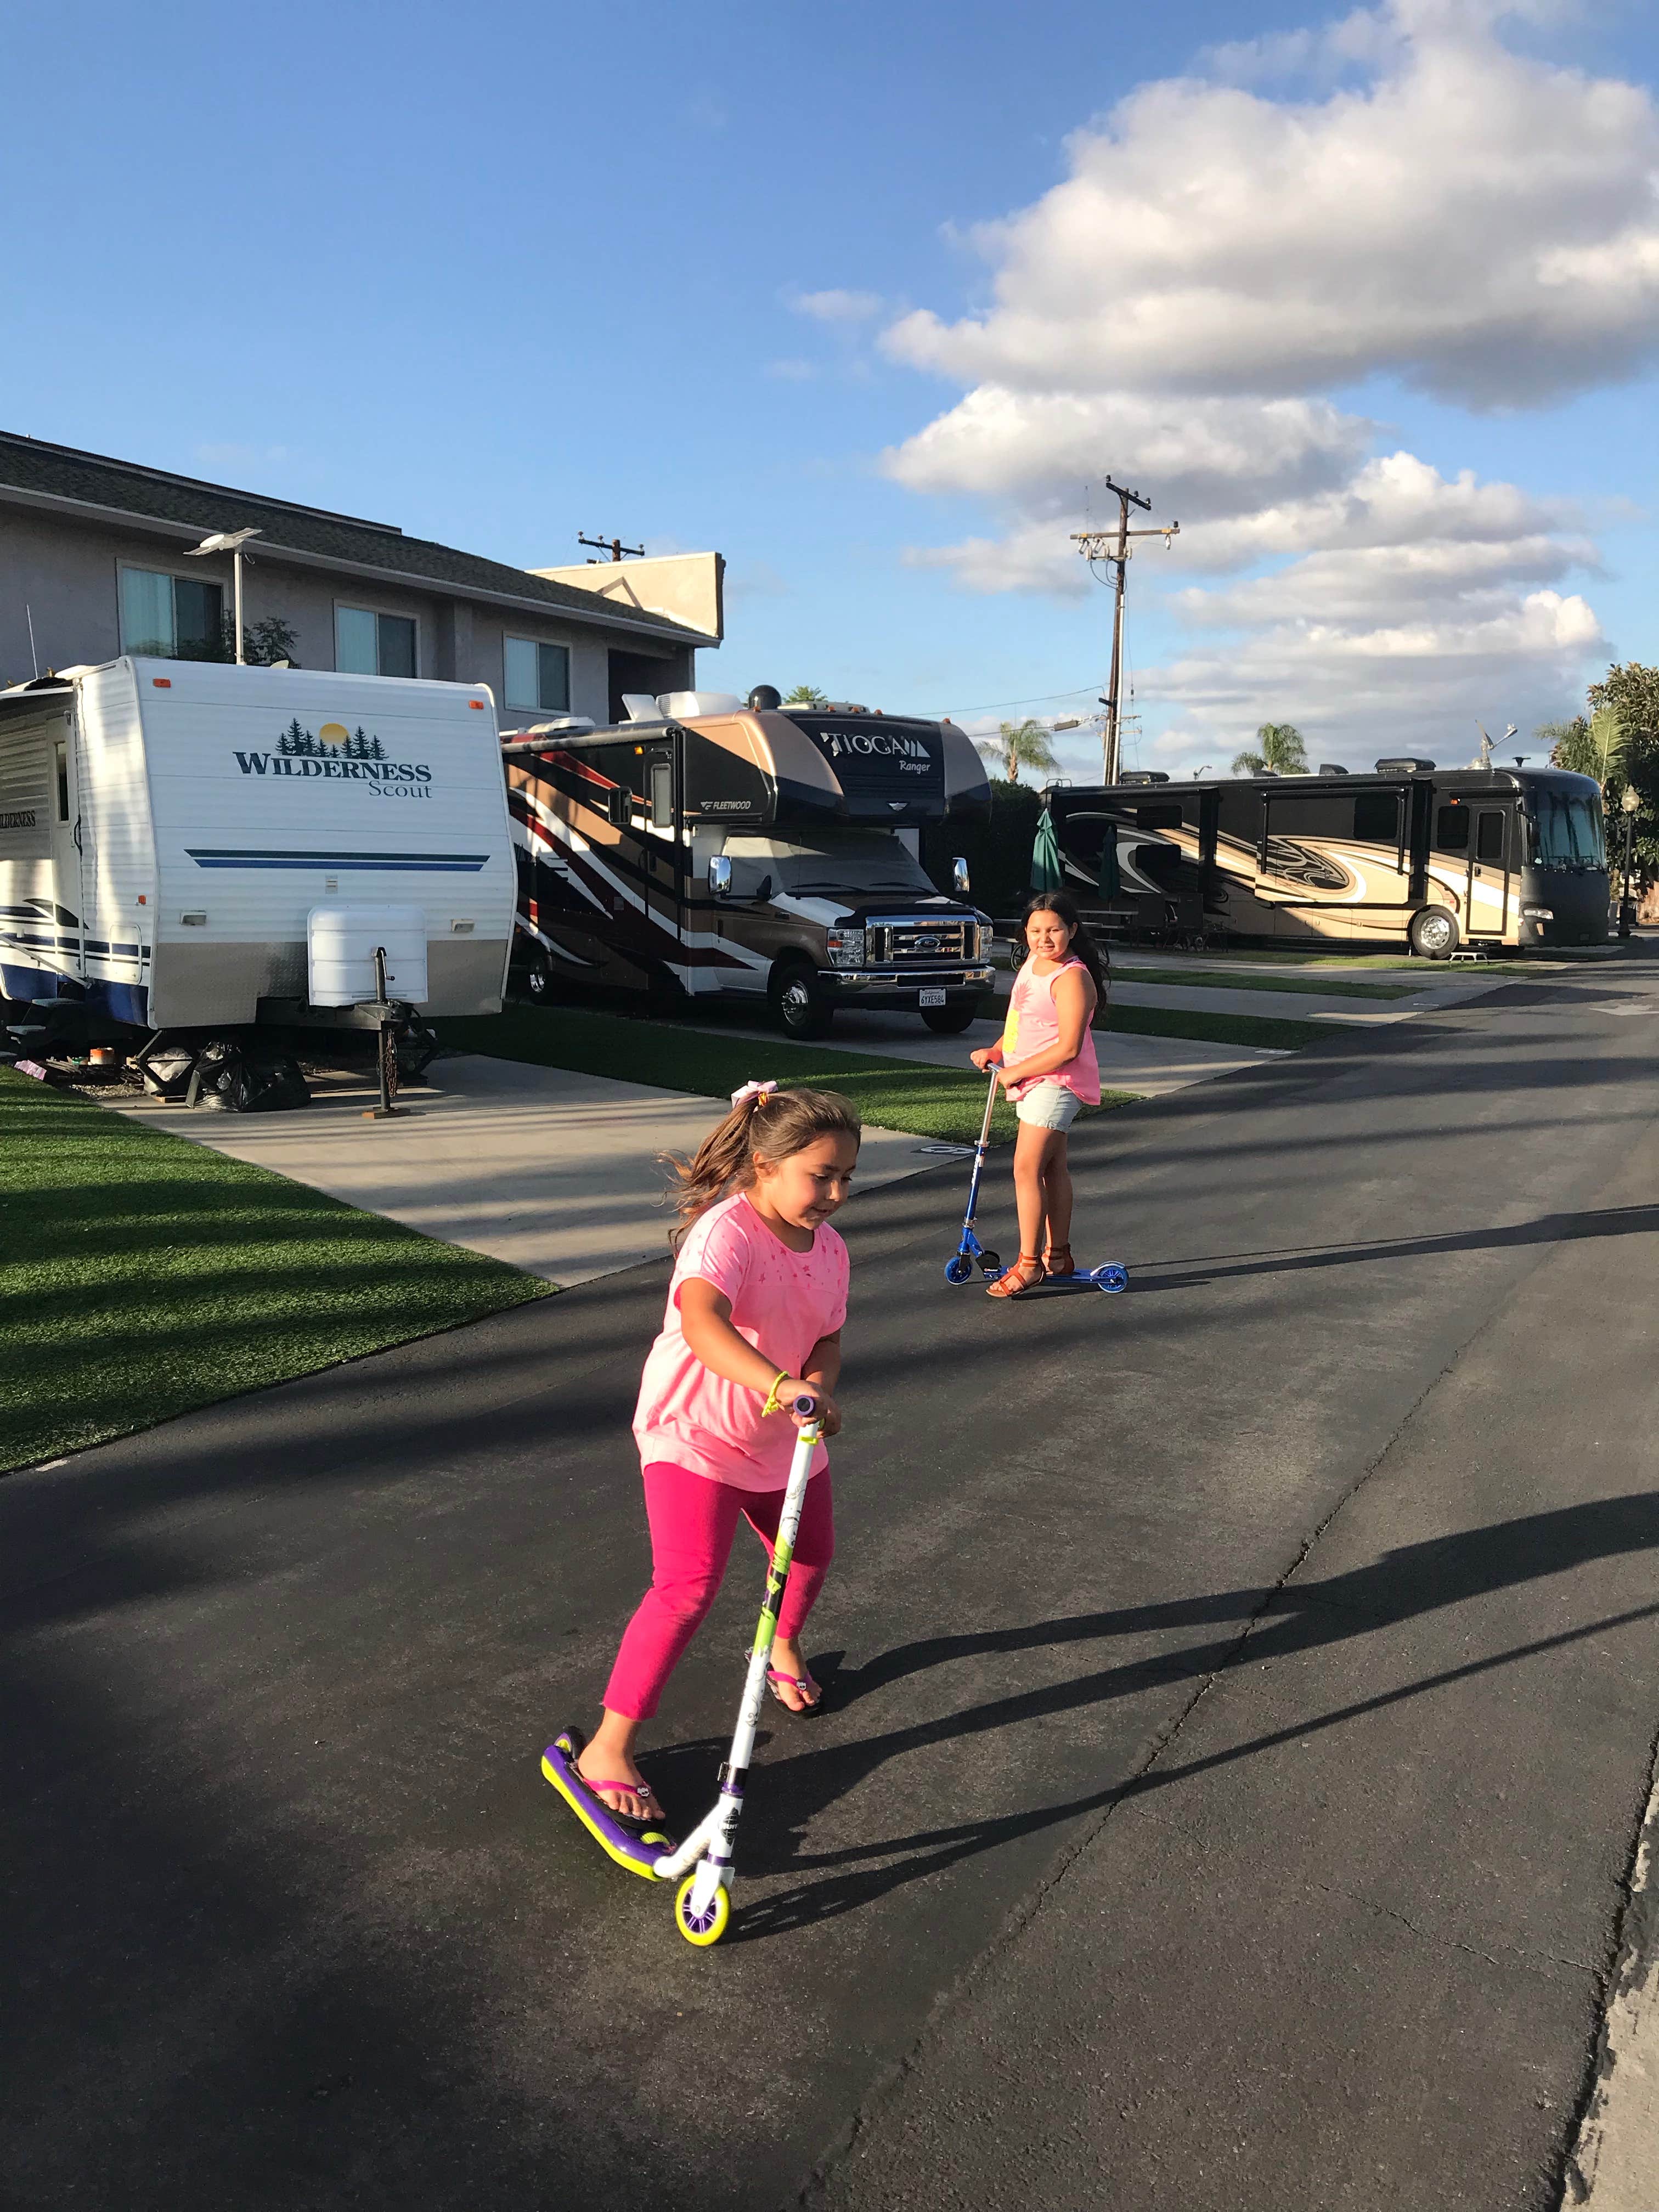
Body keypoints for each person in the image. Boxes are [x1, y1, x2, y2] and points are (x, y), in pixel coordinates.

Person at [566, 1081, 860, 1829]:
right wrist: (782, 1385)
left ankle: (782, 1646)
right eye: (820, 1176)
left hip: (779, 1435)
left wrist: (816, 1390)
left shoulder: (831, 1249)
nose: (835, 1194)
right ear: (766, 1165)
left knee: (811, 1555)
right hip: (694, 1431)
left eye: (846, 1177)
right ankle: (607, 1747)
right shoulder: (727, 1233)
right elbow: (702, 1322)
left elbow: (827, 1338)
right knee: (687, 1587)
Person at [970, 890, 1105, 1299]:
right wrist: (998, 1050)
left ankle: (1030, 1264)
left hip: (1057, 1083)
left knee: (1025, 1169)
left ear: (1072, 930)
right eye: (1035, 931)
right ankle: (1058, 1256)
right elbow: (1023, 1021)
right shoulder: (1033, 962)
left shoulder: (1073, 978)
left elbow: (1069, 1048)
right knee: (1052, 1168)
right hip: (1032, 1079)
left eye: (1054, 930)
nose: (1044, 939)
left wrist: (1017, 1071)